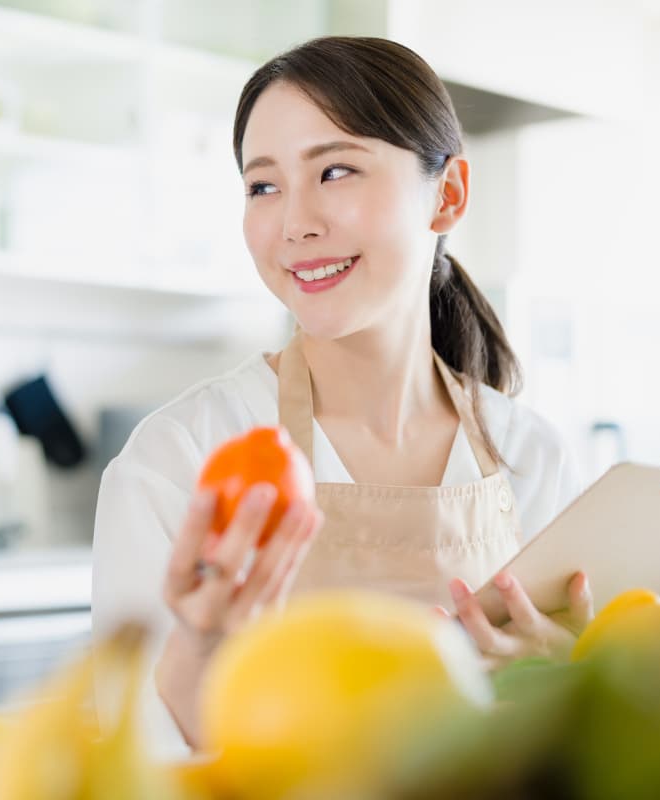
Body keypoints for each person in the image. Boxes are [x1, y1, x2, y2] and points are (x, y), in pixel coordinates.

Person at [92, 35, 591, 755]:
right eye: (263, 186)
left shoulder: (533, 458)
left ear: (446, 195)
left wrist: (560, 690)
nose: (295, 223)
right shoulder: (182, 459)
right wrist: (196, 656)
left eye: (335, 171)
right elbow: (125, 765)